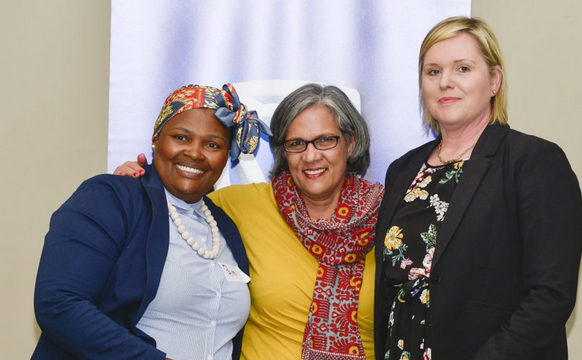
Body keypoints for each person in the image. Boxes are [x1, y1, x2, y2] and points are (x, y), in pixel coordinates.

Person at [116, 83, 384, 359]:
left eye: (325, 140)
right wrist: (139, 183)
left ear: (350, 143)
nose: (311, 155)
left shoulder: (389, 217)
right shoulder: (238, 206)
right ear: (283, 151)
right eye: (296, 144)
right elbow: (174, 200)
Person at [373, 16, 582, 360]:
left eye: (463, 69)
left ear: (494, 81)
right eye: (433, 71)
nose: (446, 83)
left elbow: (550, 295)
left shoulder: (533, 162)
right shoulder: (403, 171)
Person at [33, 84, 270, 360]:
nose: (195, 153)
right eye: (181, 137)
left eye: (212, 144)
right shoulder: (111, 198)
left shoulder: (225, 224)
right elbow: (59, 303)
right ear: (156, 140)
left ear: (226, 156)